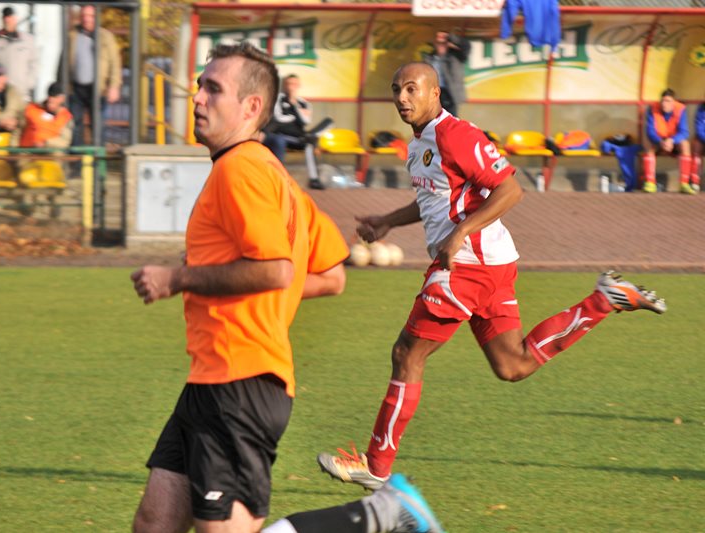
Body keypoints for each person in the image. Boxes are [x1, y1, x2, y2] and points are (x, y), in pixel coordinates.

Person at [130, 42, 443, 533]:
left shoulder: (240, 169)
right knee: (155, 523)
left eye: (213, 89)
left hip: (239, 382)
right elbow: (331, 276)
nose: (197, 98)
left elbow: (276, 269)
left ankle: (377, 513)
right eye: (199, 86)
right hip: (213, 377)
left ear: (251, 106)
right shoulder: (277, 177)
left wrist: (178, 278)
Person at [317, 62, 667, 491]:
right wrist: (389, 220)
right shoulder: (419, 143)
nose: (402, 98)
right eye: (396, 89)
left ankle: (375, 466)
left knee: (407, 354)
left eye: (411, 89)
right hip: (488, 263)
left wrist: (460, 233)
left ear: (435, 93)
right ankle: (604, 299)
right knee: (512, 364)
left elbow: (510, 189)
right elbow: (436, 198)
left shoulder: (456, 135)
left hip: (468, 266)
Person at [63, 4, 122, 146]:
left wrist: (114, 86)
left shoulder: (105, 37)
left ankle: (97, 157)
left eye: (90, 16)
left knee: (98, 124)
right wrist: (61, 87)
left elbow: (115, 63)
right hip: (76, 88)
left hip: (98, 88)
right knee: (75, 124)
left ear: (96, 17)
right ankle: (76, 158)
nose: (87, 19)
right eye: (84, 16)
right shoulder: (72, 35)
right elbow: (63, 62)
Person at [262, 73, 332, 190]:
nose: (291, 87)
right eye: (289, 84)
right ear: (284, 85)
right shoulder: (278, 99)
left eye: (294, 84)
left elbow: (305, 121)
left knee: (327, 124)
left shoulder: (304, 103)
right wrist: (294, 117)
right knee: (280, 139)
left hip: (297, 137)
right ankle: (278, 178)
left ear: (298, 86)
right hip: (281, 134)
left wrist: (294, 105)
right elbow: (278, 118)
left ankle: (314, 180)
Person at [642, 88, 694, 194]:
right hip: (659, 141)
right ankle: (650, 182)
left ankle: (684, 183)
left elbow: (684, 132)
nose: (664, 104)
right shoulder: (652, 109)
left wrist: (671, 140)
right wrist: (660, 141)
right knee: (647, 144)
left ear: (674, 102)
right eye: (663, 101)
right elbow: (650, 131)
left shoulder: (680, 109)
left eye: (668, 101)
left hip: (673, 142)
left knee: (685, 144)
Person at [0, 6, 38, 101]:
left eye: (10, 17)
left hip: (21, 93)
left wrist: (28, 83)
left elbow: (35, 64)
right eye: (5, 17)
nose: (8, 20)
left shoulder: (28, 40)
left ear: (15, 18)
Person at [420, 31, 469, 117]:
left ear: (449, 45)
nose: (441, 45)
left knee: (450, 118)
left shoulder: (455, 57)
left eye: (443, 43)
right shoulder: (430, 58)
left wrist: (450, 37)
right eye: (438, 43)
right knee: (433, 118)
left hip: (450, 93)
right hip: (433, 92)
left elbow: (466, 47)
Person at [20, 82, 73, 148]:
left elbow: (64, 142)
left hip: (50, 151)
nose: (51, 99)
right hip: (27, 150)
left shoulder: (66, 117)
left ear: (62, 99)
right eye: (50, 96)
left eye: (55, 97)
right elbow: (18, 129)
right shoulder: (32, 108)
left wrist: (46, 143)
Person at [690, 98, 705, 194]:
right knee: (696, 144)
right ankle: (694, 181)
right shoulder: (701, 108)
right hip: (703, 138)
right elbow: (699, 128)